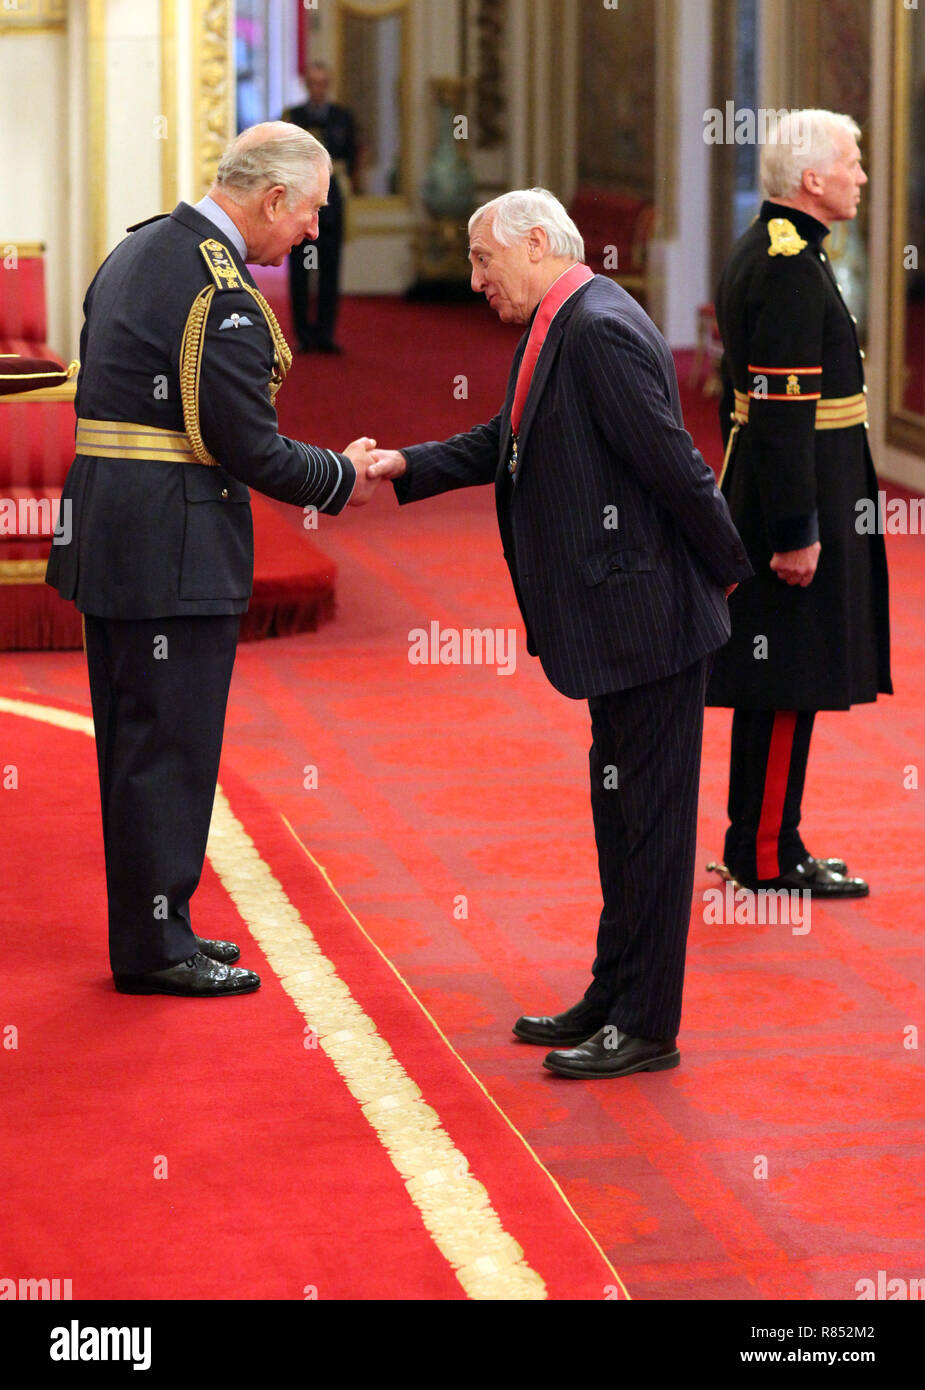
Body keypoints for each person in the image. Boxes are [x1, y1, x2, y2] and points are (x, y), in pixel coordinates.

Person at [367, 189, 753, 1079]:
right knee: (619, 819)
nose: (473, 280)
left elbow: (676, 466)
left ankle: (646, 1025)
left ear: (536, 244)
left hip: (648, 620)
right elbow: (512, 440)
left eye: (482, 261)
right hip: (613, 624)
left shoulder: (598, 328)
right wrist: (406, 464)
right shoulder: (563, 318)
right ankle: (610, 993)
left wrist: (726, 571)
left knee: (651, 830)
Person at [45, 122, 380, 997]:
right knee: (172, 748)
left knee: (135, 742)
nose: (311, 233)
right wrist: (343, 474)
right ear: (272, 199)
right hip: (174, 544)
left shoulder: (140, 248)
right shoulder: (222, 293)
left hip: (112, 532)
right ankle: (157, 949)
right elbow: (251, 449)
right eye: (308, 213)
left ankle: (156, 929)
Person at [705, 110, 891, 897]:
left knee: (778, 679)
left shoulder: (782, 249)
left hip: (792, 487)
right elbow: (778, 417)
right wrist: (794, 531)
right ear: (811, 181)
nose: (860, 176)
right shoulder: (786, 263)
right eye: (850, 164)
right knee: (786, 680)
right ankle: (767, 856)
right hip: (798, 499)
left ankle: (766, 838)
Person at [283, 62, 357, 354]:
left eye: (323, 83)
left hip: (333, 202)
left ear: (329, 84)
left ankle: (325, 332)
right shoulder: (294, 117)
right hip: (300, 201)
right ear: (307, 85)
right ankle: (302, 332)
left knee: (330, 269)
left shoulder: (343, 117)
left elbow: (351, 157)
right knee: (299, 272)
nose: (318, 88)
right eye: (313, 83)